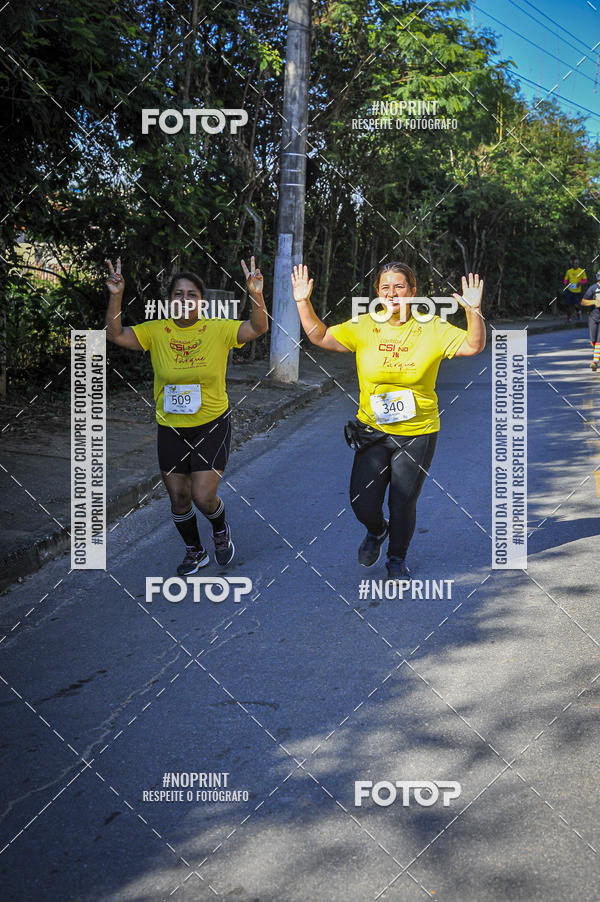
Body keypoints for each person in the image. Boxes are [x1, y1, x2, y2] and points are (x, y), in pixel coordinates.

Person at [291, 262, 485, 580]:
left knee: (402, 501)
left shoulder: (432, 328)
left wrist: (473, 311)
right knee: (361, 501)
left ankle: (397, 558)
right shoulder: (366, 326)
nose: (392, 293)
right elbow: (321, 336)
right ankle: (377, 531)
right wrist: (302, 301)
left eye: (399, 287)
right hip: (372, 428)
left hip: (417, 431)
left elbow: (473, 345)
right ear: (378, 294)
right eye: (385, 288)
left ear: (412, 290)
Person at [104, 256, 268, 574]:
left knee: (204, 497)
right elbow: (115, 334)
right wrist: (116, 295)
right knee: (179, 498)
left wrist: (256, 294)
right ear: (169, 302)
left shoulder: (218, 330)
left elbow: (258, 328)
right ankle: (195, 551)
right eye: (178, 294)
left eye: (192, 294)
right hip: (171, 427)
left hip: (211, 424)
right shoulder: (156, 331)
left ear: (201, 302)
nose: (184, 300)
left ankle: (220, 529)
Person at [581, 270, 600, 371]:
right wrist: (594, 302)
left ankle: (595, 362)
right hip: (593, 317)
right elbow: (583, 301)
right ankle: (596, 357)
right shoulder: (593, 288)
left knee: (599, 341)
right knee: (593, 341)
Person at [563, 258, 587, 323]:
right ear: (573, 264)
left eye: (577, 263)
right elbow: (565, 279)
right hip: (569, 290)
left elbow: (585, 280)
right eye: (574, 263)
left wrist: (580, 283)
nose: (575, 264)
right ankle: (569, 318)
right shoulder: (569, 271)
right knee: (568, 304)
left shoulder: (581, 271)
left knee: (577, 304)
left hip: (577, 291)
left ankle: (578, 312)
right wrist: (565, 283)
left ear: (578, 264)